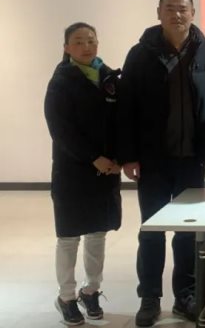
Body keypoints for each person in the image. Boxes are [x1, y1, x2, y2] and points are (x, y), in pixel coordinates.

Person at [116, 0, 205, 328]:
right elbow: (125, 108)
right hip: (152, 159)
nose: (177, 14)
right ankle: (149, 298)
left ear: (193, 13)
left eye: (183, 9)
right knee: (152, 231)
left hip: (192, 160)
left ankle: (186, 296)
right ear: (159, 13)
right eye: (170, 8)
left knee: (188, 232)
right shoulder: (140, 54)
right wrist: (128, 156)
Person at [45, 22, 122, 327]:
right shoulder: (60, 81)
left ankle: (91, 290)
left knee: (97, 233)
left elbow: (120, 121)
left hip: (106, 170)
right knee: (68, 236)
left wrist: (119, 158)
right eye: (78, 41)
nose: (86, 46)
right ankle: (66, 297)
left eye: (91, 40)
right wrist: (93, 158)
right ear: (66, 48)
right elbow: (60, 130)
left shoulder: (109, 77)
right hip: (73, 171)